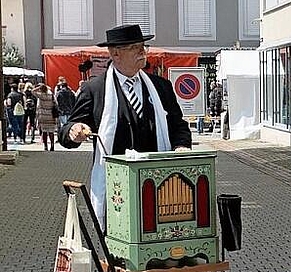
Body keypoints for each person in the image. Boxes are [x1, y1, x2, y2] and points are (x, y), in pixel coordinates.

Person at [59, 24, 192, 224]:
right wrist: (73, 131)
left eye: (143, 46)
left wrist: (181, 145)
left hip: (159, 185)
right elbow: (67, 129)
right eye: (134, 47)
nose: (141, 51)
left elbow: (178, 125)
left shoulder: (160, 87)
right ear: (115, 54)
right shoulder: (94, 89)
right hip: (117, 189)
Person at [33, 83, 58, 151]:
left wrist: (38, 87)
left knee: (44, 131)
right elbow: (56, 103)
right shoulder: (51, 95)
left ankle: (45, 146)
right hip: (51, 115)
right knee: (51, 131)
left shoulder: (41, 95)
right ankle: (52, 145)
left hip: (43, 115)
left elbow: (33, 91)